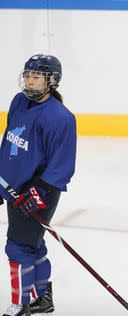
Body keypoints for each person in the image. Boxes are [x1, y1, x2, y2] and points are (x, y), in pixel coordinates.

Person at [0, 54, 77, 316]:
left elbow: (63, 165)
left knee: (18, 246)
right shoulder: (18, 101)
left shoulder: (61, 118)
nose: (30, 81)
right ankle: (42, 298)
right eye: (28, 75)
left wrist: (38, 190)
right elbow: (10, 143)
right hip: (13, 188)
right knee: (33, 244)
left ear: (52, 81)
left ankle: (20, 305)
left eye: (37, 77)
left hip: (38, 193)